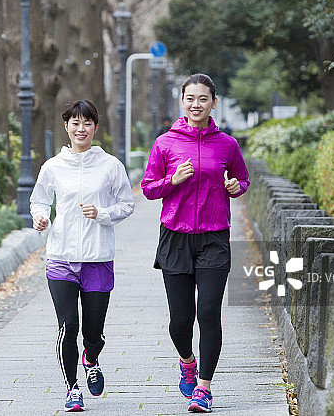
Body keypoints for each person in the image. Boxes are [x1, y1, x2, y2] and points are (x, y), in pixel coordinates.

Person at [140, 74, 249, 413]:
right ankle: (187, 361)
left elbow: (242, 179)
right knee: (180, 320)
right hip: (175, 237)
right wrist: (172, 180)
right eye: (190, 98)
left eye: (203, 98)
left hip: (215, 236)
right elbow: (148, 188)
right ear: (182, 101)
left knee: (208, 312)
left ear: (213, 103)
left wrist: (236, 188)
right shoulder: (165, 143)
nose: (196, 104)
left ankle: (204, 387)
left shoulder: (227, 145)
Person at [30, 99, 135, 413]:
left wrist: (101, 213)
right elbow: (39, 201)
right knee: (67, 326)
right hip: (61, 257)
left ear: (95, 127)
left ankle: (92, 357)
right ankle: (72, 390)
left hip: (98, 258)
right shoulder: (53, 167)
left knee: (93, 331)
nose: (81, 129)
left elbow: (127, 204)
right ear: (66, 127)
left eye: (87, 123)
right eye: (75, 123)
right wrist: (39, 218)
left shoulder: (110, 166)